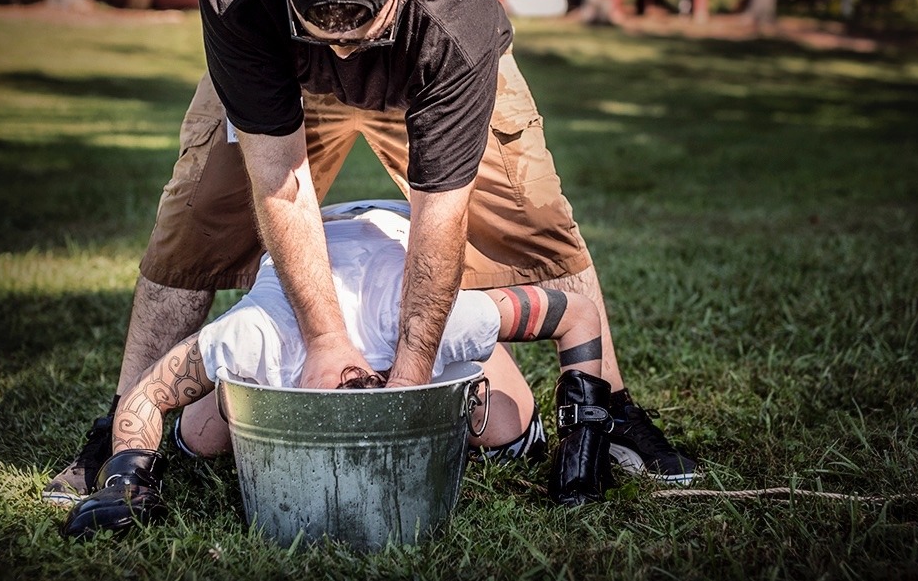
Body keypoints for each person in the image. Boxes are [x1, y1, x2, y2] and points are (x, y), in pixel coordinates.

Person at [43, 0, 696, 505]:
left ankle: (610, 407)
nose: (345, 52)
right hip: (285, 84)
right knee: (195, 226)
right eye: (325, 29)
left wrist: (411, 380)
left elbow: (440, 209)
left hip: (423, 72)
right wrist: (325, 344)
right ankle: (117, 425)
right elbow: (279, 178)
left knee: (533, 218)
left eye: (362, 30)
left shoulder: (454, 7)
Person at [62, 202, 617, 539]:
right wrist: (126, 481)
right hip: (305, 235)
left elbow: (578, 316)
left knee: (507, 430)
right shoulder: (261, 334)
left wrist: (583, 437)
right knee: (199, 437)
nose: (352, 397)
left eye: (348, 399)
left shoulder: (431, 319)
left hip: (405, 238)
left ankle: (477, 368)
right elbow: (146, 395)